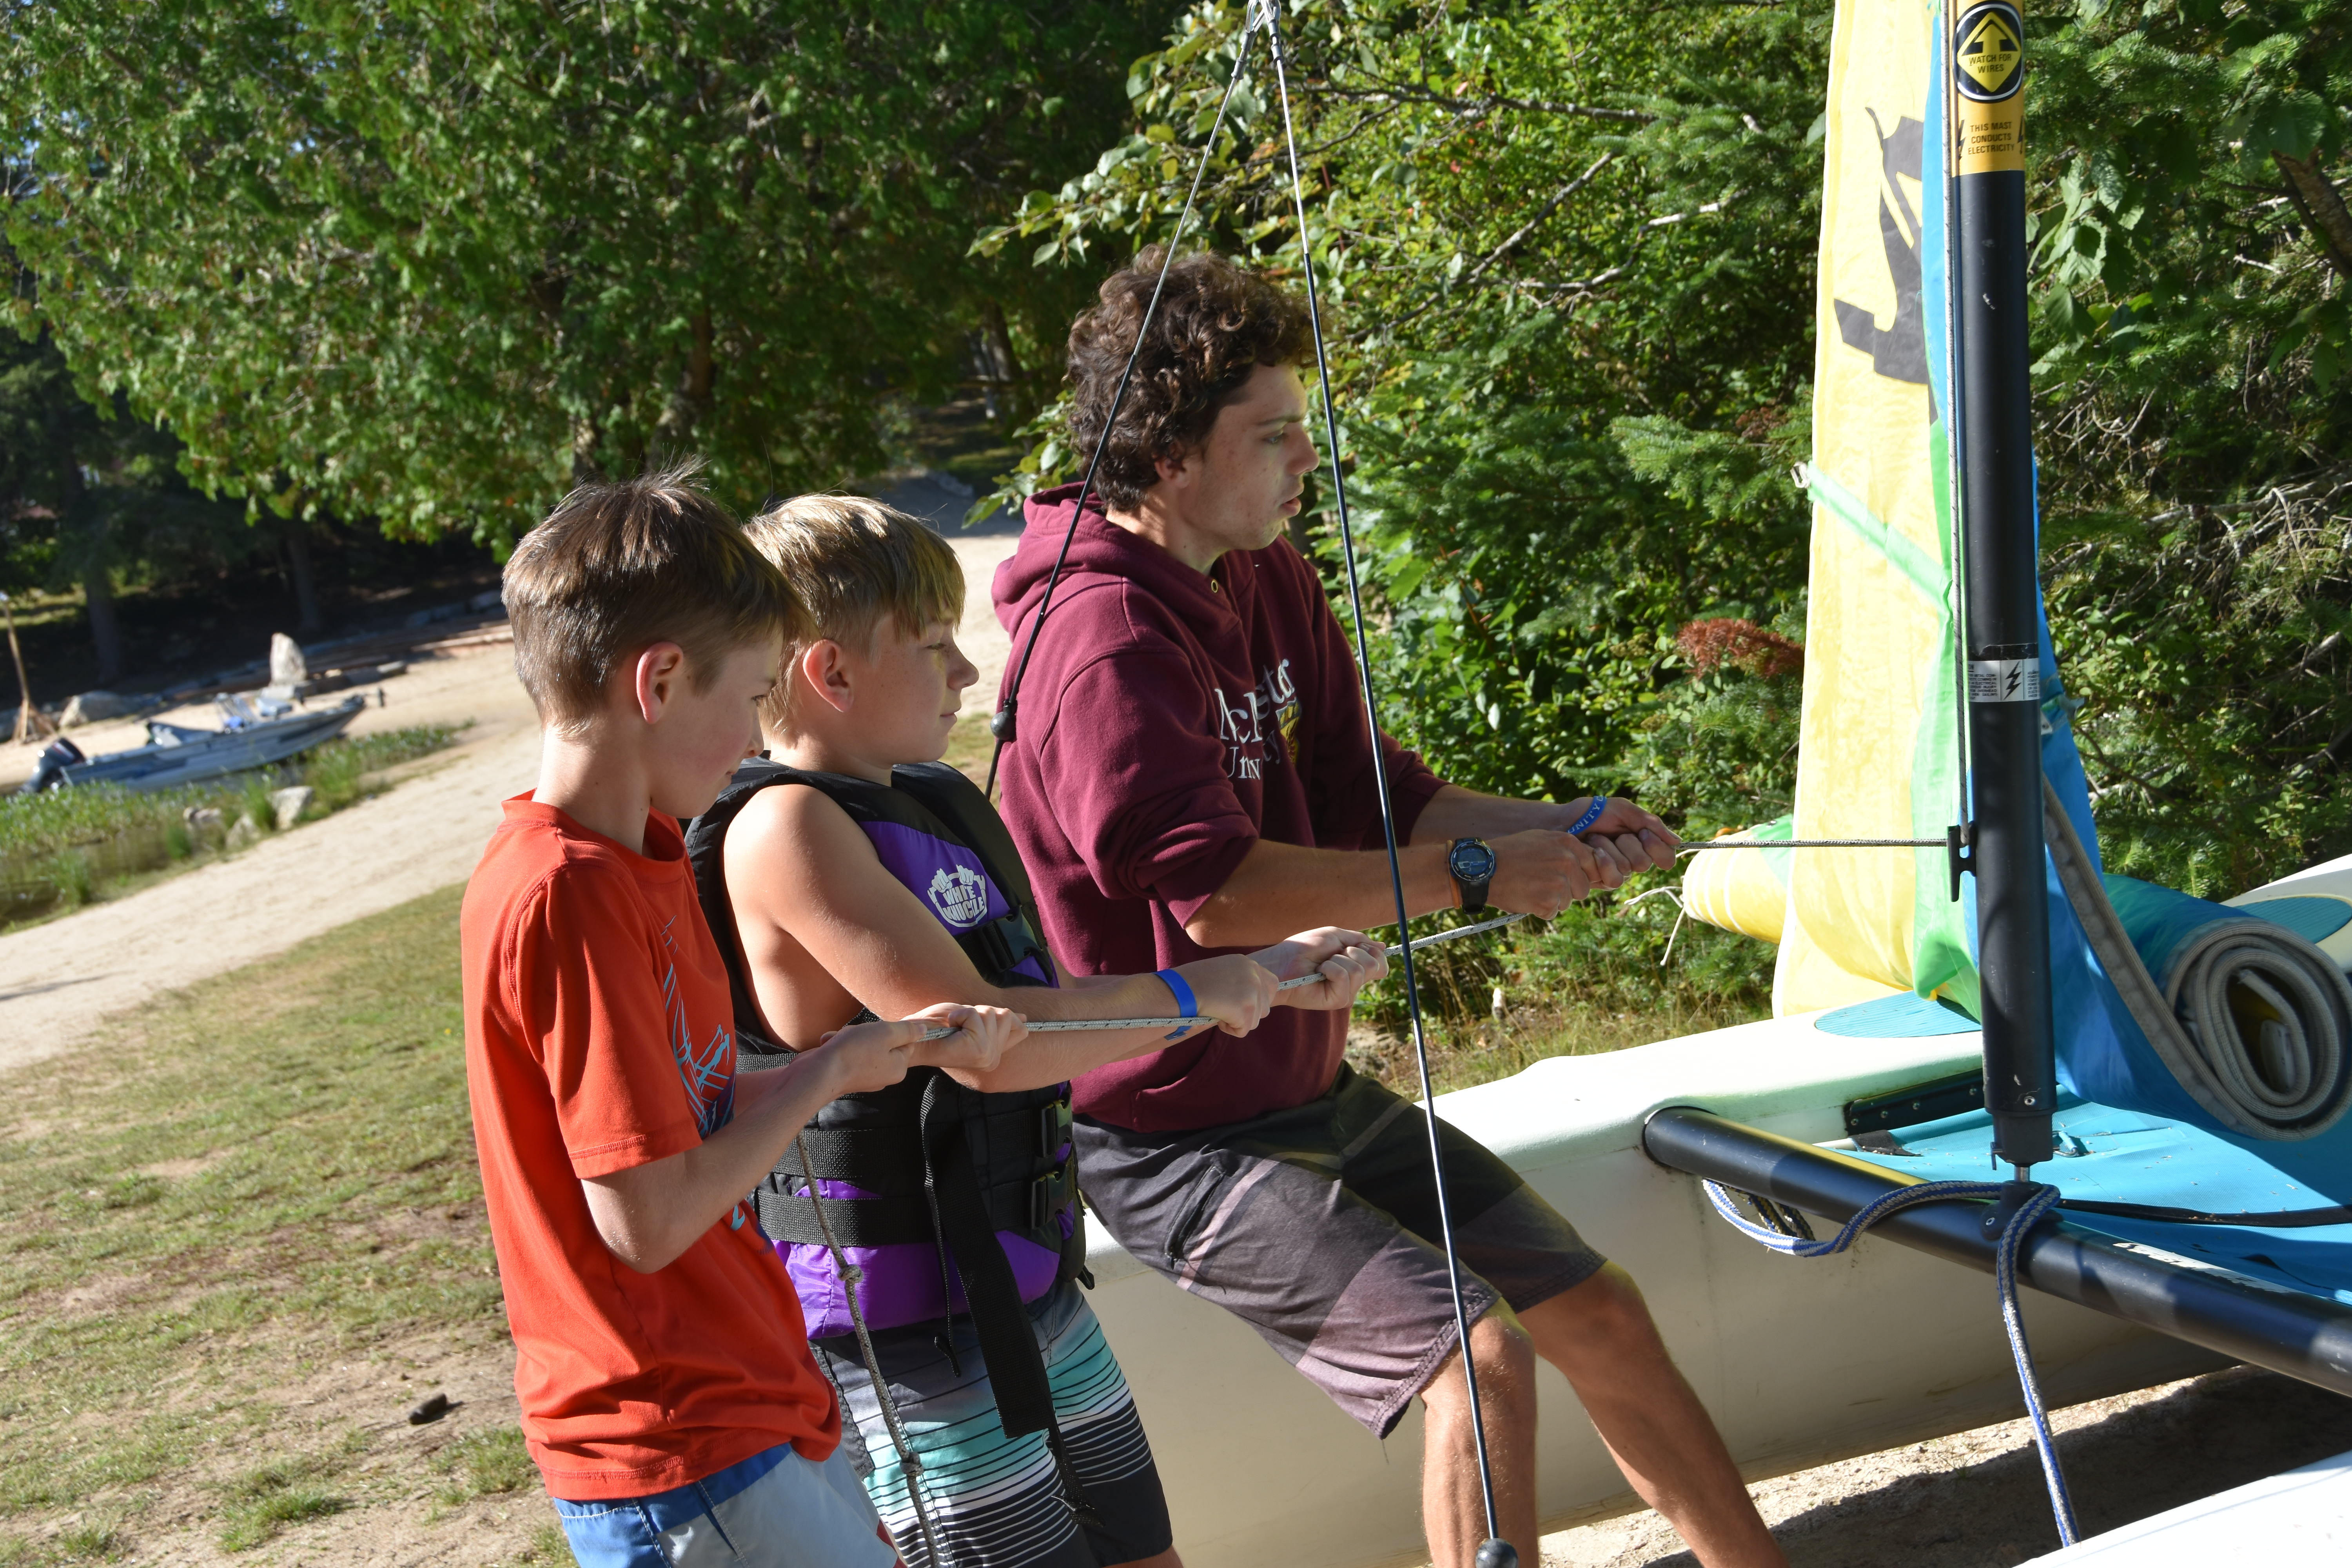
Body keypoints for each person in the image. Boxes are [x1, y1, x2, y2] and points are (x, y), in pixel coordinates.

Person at [989, 251, 1790, 1568]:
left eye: (1304, 426)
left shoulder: (1267, 576)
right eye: (1274, 434)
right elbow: (1220, 900)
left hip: (1301, 1087)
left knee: (1599, 1309)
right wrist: (1477, 881)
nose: (1308, 459)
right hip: (1169, 1131)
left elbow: (1386, 798)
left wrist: (1554, 827)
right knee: (1479, 1365)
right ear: (1168, 451)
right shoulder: (1102, 640)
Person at [683, 494, 1385, 1568]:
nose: (967, 676)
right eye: (933, 649)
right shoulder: (787, 828)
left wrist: (1272, 977)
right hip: (913, 1332)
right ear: (830, 673)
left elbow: (1056, 997)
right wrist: (1211, 991)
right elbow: (988, 1039)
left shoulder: (923, 800)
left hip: (1030, 1283)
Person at [460, 465, 1019, 1568]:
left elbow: (684, 1110)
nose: (753, 735)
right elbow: (649, 1216)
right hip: (676, 1437)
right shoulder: (565, 894)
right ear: (660, 680)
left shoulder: (646, 857)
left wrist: (860, 1056)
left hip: (751, 1402)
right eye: (750, 692)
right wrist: (818, 1079)